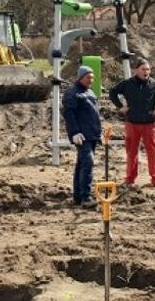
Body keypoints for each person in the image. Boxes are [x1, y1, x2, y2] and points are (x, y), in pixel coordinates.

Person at [108, 58, 155, 190]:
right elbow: (112, 92)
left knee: (153, 152)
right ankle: (130, 179)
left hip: (149, 124)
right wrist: (120, 106)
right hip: (132, 123)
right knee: (131, 152)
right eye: (143, 69)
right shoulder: (127, 84)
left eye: (148, 69)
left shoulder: (154, 85)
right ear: (136, 70)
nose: (146, 72)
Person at [64, 65, 102, 208]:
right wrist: (74, 132)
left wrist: (98, 134)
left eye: (92, 77)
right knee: (88, 162)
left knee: (81, 164)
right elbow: (69, 114)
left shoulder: (91, 93)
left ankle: (78, 197)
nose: (91, 80)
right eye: (88, 77)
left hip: (92, 135)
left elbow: (95, 115)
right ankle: (86, 197)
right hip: (81, 135)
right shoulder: (72, 93)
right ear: (80, 77)